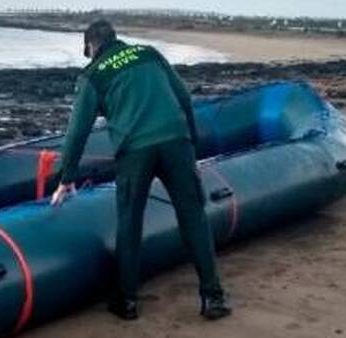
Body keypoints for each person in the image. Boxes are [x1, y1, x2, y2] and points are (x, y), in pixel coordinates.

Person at [50, 20, 231, 321]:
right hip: (176, 142)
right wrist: (192, 150)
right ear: (114, 38)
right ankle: (213, 297)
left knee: (130, 221)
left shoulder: (92, 75)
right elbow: (184, 98)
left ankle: (127, 301)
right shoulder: (149, 53)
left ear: (91, 47)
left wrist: (66, 177)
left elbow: (77, 131)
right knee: (193, 217)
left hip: (135, 150)